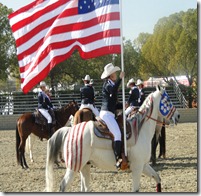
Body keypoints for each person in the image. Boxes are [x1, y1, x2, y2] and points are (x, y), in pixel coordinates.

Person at [100, 63, 124, 169]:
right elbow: (113, 90)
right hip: (106, 114)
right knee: (117, 134)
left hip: (109, 112)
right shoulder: (108, 84)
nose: (115, 73)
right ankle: (117, 159)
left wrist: (124, 105)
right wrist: (120, 79)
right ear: (110, 75)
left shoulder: (111, 84)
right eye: (114, 72)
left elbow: (114, 104)